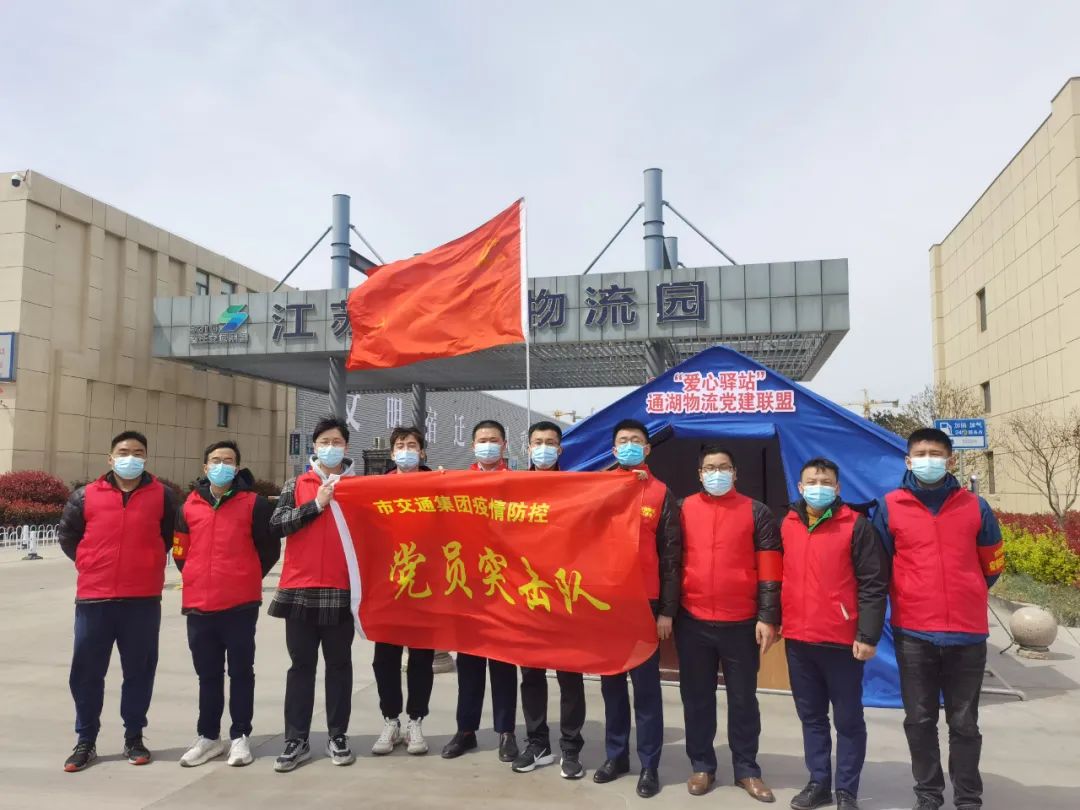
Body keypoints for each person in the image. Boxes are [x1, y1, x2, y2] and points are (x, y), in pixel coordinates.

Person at [872, 428, 1003, 810]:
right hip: (913, 632)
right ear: (908, 460)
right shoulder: (890, 506)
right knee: (919, 719)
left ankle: (968, 797)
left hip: (967, 633)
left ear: (951, 460)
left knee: (964, 723)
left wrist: (967, 590)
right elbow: (879, 565)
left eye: (935, 453)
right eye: (920, 453)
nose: (928, 459)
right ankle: (928, 794)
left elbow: (992, 564)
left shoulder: (976, 507)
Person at [58, 430, 178, 772]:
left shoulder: (163, 497)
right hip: (94, 599)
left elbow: (170, 537)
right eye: (124, 452)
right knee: (86, 673)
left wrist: (147, 562)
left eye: (138, 452)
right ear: (110, 458)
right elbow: (68, 536)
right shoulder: (85, 496)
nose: (130, 458)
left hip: (142, 600)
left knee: (139, 671)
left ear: (146, 458)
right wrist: (90, 562)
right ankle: (85, 740)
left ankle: (134, 737)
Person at [781, 458, 889, 810]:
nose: (818, 487)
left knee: (848, 719)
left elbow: (873, 584)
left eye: (825, 482)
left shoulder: (856, 526)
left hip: (842, 641)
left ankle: (846, 790)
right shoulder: (788, 523)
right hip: (799, 639)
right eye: (811, 482)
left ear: (837, 488)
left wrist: (868, 635)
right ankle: (818, 783)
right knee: (811, 717)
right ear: (800, 487)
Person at [676, 444, 781, 803]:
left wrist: (768, 616)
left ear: (735, 473)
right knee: (696, 699)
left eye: (723, 467)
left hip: (741, 622)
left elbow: (770, 570)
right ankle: (701, 765)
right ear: (699, 474)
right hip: (693, 620)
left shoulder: (757, 511)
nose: (716, 473)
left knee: (743, 700)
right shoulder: (682, 509)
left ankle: (747, 769)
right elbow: (669, 561)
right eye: (709, 468)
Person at [172, 441, 281, 768]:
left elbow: (269, 550)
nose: (222, 466)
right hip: (199, 604)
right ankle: (208, 737)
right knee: (207, 674)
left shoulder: (254, 504)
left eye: (228, 461)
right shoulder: (188, 507)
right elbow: (180, 553)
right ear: (205, 468)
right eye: (216, 461)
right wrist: (199, 576)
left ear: (237, 468)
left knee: (241, 672)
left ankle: (240, 736)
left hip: (240, 605)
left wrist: (244, 575)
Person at [594, 419, 681, 799]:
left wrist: (667, 611)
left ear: (646, 449)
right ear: (614, 450)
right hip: (606, 602)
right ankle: (616, 756)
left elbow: (671, 557)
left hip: (646, 602)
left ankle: (649, 765)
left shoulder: (661, 494)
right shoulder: (597, 487)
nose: (628, 445)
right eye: (622, 441)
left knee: (645, 689)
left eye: (635, 441)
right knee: (611, 684)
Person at [268, 417, 358, 772]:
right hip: (300, 590)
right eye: (324, 441)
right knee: (301, 667)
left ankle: (338, 735)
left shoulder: (359, 486)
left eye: (336, 442)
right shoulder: (296, 484)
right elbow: (277, 525)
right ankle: (296, 739)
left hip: (341, 589)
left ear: (346, 447)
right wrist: (316, 505)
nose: (330, 447)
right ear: (314, 446)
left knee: (339, 666)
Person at [511, 421, 587, 780]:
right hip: (526, 597)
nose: (543, 447)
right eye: (537, 442)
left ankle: (571, 748)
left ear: (560, 449)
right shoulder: (512, 488)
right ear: (528, 448)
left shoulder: (575, 488)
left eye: (550, 442)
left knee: (570, 677)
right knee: (531, 675)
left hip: (564, 597)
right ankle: (537, 742)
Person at [442, 419, 520, 763]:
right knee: (469, 664)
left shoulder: (518, 483)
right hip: (468, 589)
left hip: (504, 587)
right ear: (473, 446)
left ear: (504, 445)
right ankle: (466, 730)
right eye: (482, 440)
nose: (487, 445)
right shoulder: (457, 483)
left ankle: (506, 731)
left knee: (503, 665)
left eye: (493, 440)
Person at [371, 426, 436, 757]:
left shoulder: (437, 487)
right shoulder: (376, 489)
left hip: (426, 588)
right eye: (400, 445)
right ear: (392, 453)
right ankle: (391, 719)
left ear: (422, 452)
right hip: (388, 588)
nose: (406, 450)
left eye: (412, 445)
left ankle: (416, 720)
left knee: (421, 658)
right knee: (385, 659)